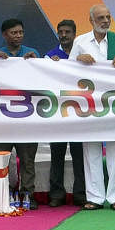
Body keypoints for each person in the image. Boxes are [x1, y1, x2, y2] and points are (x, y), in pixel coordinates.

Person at [70, 4, 115, 210]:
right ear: (91, 21)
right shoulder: (80, 42)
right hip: (90, 103)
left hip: (113, 103)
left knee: (114, 151)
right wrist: (77, 59)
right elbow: (66, 73)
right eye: (101, 18)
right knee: (91, 150)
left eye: (108, 17)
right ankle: (94, 197)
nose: (105, 21)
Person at [0, 18, 40, 210]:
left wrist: (37, 64)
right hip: (2, 120)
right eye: (14, 33)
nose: (18, 36)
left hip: (27, 119)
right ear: (4, 35)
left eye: (20, 32)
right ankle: (2, 193)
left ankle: (28, 194)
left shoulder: (32, 54)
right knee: (1, 158)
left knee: (27, 160)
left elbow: (41, 81)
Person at [44, 19, 85, 207]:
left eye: (67, 32)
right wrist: (52, 67)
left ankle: (81, 193)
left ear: (75, 34)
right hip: (58, 114)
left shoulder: (83, 55)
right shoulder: (50, 57)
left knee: (79, 156)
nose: (63, 35)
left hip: (79, 113)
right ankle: (57, 194)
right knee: (57, 155)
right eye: (60, 32)